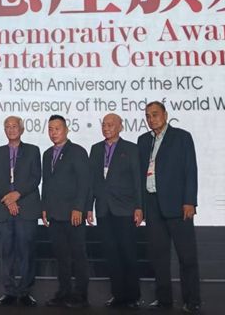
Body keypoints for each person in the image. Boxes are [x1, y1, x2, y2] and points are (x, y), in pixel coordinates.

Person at [137, 101, 200, 313]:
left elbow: (190, 170)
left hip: (178, 205)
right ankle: (164, 299)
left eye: (155, 114)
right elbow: (139, 175)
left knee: (187, 256)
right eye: (148, 116)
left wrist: (189, 201)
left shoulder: (182, 137)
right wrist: (140, 207)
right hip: (152, 204)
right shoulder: (143, 140)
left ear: (165, 114)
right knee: (159, 257)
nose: (151, 119)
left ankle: (192, 300)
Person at [87, 113, 142, 308]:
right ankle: (118, 295)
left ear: (121, 127)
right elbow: (91, 181)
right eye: (104, 124)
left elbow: (137, 179)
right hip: (103, 209)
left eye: (111, 124)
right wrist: (88, 207)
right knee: (111, 254)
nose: (106, 127)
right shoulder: (95, 149)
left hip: (125, 209)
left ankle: (132, 296)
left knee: (128, 253)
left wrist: (139, 207)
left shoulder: (131, 149)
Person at [0, 115, 41, 307]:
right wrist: (8, 199)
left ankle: (25, 291)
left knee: (26, 252)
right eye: (7, 127)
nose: (11, 129)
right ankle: (9, 291)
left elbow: (35, 177)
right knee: (6, 252)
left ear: (21, 129)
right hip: (4, 209)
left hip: (26, 207)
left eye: (14, 126)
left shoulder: (33, 151)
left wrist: (17, 194)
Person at [41, 114, 90, 308]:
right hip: (54, 214)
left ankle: (81, 295)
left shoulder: (77, 151)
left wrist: (79, 208)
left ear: (66, 130)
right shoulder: (47, 154)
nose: (53, 132)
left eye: (57, 128)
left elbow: (84, 183)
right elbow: (46, 184)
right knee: (61, 257)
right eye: (50, 129)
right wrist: (44, 207)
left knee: (78, 256)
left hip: (73, 214)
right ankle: (63, 292)